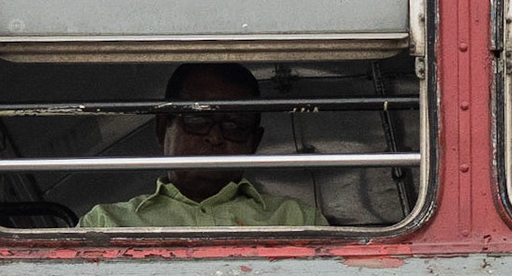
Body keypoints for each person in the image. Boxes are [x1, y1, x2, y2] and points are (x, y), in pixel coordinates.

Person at [79, 62, 328, 228]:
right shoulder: (105, 224)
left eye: (234, 125)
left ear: (254, 141)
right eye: (198, 120)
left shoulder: (298, 221)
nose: (215, 137)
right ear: (162, 128)